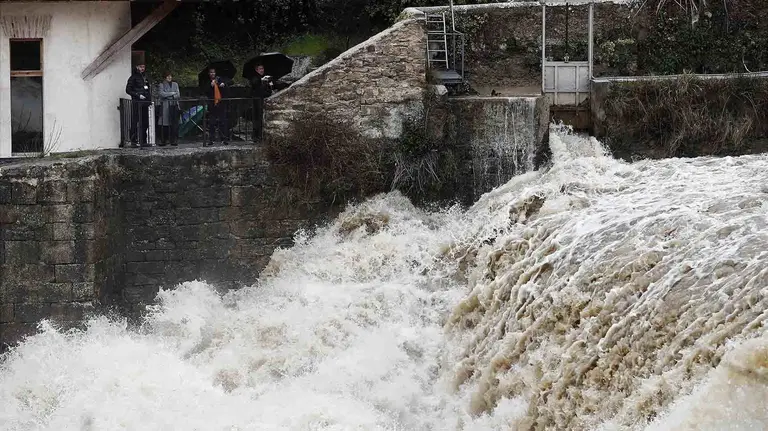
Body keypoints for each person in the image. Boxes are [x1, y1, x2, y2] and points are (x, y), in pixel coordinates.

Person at [200, 67, 233, 146]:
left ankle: (224, 138)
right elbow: (205, 91)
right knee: (212, 123)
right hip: (212, 104)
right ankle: (211, 139)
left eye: (213, 72)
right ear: (209, 74)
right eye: (211, 72)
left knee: (223, 121)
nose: (212, 74)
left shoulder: (220, 79)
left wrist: (223, 85)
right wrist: (210, 86)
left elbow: (229, 85)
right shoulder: (207, 82)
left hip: (221, 103)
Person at [125, 62, 152, 147]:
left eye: (143, 66)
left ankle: (143, 140)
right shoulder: (133, 78)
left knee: (145, 122)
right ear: (137, 67)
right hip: (137, 102)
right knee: (135, 121)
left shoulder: (145, 77)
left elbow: (148, 89)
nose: (142, 68)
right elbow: (128, 90)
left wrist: (149, 99)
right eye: (141, 67)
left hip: (145, 102)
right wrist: (138, 95)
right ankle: (134, 140)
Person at [249, 64, 272, 142]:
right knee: (257, 118)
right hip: (257, 100)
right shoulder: (255, 77)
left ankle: (261, 135)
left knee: (262, 118)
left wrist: (270, 84)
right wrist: (261, 80)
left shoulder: (266, 77)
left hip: (264, 99)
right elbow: (254, 84)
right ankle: (256, 136)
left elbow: (269, 88)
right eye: (260, 69)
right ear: (257, 70)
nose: (262, 70)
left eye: (262, 68)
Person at [157, 71, 180, 146]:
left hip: (174, 105)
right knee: (165, 123)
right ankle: (164, 140)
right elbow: (162, 94)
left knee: (174, 123)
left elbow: (178, 94)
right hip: (165, 106)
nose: (169, 77)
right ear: (165, 77)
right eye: (167, 76)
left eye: (170, 76)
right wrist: (173, 93)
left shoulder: (175, 84)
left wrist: (169, 95)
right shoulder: (161, 85)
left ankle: (174, 140)